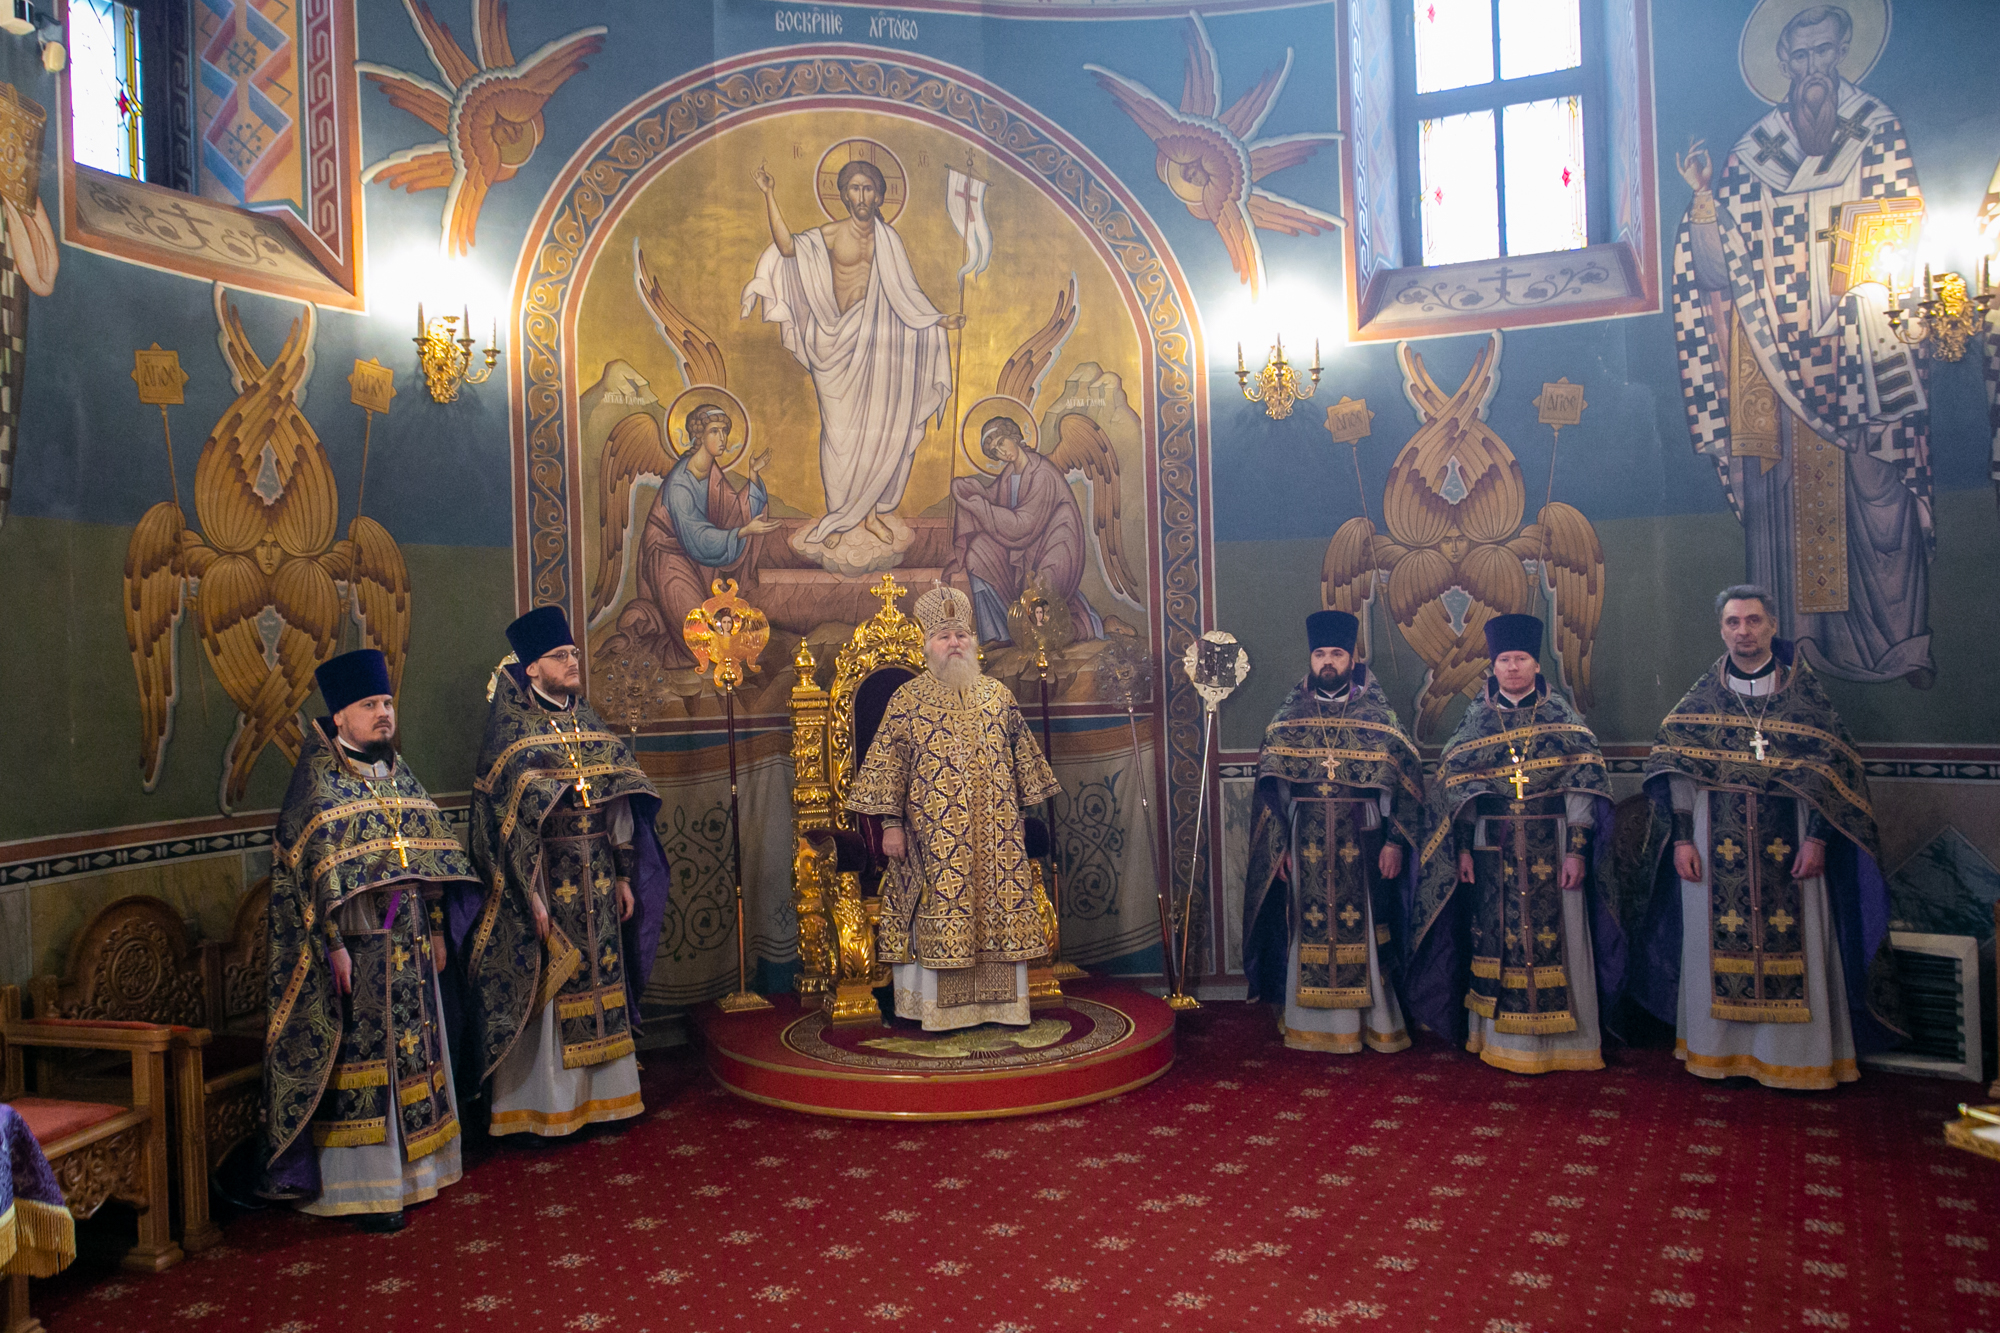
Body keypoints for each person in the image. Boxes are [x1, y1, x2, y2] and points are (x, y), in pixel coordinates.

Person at [1673, 4, 1932, 686]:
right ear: (1784, 61)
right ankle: (1799, 645)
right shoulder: (1754, 152)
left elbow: (1902, 223)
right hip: (1777, 363)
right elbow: (1719, 270)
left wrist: (1858, 295)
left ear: (1843, 51)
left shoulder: (1877, 130)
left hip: (1862, 351)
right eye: (1803, 55)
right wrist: (1704, 202)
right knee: (1782, 503)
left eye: (1826, 52)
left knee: (1878, 491)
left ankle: (1896, 646)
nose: (1815, 68)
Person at [1635, 585, 1903, 1090]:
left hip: (1793, 845)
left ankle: (1797, 1059)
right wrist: (1683, 840)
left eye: (1753, 621)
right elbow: (1676, 772)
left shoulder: (1807, 700)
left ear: (1773, 626)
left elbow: (1833, 774)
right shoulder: (1698, 702)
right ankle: (1719, 1054)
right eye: (1733, 622)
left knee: (1802, 946)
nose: (1744, 632)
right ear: (1721, 630)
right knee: (1711, 949)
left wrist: (1818, 840)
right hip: (1714, 846)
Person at [261, 649, 479, 1231]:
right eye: (369, 705)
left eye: (387, 703)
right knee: (367, 1066)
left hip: (411, 941)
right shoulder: (317, 788)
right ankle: (367, 1191)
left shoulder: (399, 774)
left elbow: (432, 863)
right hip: (357, 952)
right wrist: (331, 946)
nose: (384, 713)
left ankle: (419, 1176)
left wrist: (437, 930)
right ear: (339, 717)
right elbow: (309, 883)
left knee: (416, 1054)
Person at [464, 606, 672, 1136]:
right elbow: (505, 830)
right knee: (552, 992)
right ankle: (546, 1111)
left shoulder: (589, 722)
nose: (573, 661)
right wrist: (529, 897)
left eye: (574, 653)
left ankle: (608, 1099)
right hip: (546, 882)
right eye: (561, 656)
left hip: (598, 877)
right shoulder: (511, 733)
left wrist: (623, 874)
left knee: (604, 979)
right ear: (533, 667)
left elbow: (618, 802)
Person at [1408, 615, 1622, 1074]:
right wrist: (1461, 850)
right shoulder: (1474, 725)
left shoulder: (1565, 724)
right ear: (1493, 667)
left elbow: (1582, 790)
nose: (1512, 667)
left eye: (1520, 659)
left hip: (1554, 845)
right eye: (1504, 660)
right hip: (1492, 850)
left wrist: (1577, 851)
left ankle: (1570, 1045)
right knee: (1494, 941)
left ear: (1535, 664)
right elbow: (1456, 796)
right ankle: (1498, 1040)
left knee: (1564, 940)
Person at [845, 583, 1061, 1030]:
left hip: (998, 837)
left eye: (961, 635)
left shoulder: (998, 696)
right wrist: (890, 825)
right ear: (928, 645)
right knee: (940, 903)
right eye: (944, 636)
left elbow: (1023, 763)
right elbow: (888, 768)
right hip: (933, 838)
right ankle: (938, 1013)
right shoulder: (907, 700)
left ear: (973, 642)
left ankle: (1002, 1008)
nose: (955, 643)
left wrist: (1019, 818)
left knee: (999, 909)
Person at [744, 156, 964, 554]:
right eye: (854, 189)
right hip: (834, 343)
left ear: (879, 195)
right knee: (840, 436)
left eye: (868, 189)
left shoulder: (889, 240)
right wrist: (769, 194)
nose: (861, 196)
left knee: (880, 431)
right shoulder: (831, 234)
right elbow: (788, 247)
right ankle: (839, 515)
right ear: (844, 195)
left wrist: (939, 320)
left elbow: (907, 294)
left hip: (879, 346)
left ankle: (870, 514)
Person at [1241, 611, 1423, 1054]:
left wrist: (1395, 842)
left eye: (1337, 654)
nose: (1327, 661)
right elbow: (1274, 792)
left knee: (1366, 928)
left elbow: (1405, 782)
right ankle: (1308, 1023)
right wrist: (1278, 848)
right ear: (1311, 658)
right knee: (1307, 926)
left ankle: (1373, 1023)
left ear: (1352, 658)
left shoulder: (1379, 717)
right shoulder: (1288, 718)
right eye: (1320, 653)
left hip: (1363, 836)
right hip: (1305, 837)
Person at [603, 403, 781, 669]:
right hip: (668, 559)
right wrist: (743, 532)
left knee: (723, 634)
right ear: (699, 436)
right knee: (698, 640)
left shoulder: (712, 474)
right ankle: (642, 643)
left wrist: (753, 476)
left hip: (698, 560)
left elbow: (734, 510)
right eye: (715, 431)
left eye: (725, 431)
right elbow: (696, 536)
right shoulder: (680, 482)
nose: (723, 438)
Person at [949, 415, 1103, 645]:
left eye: (1002, 442)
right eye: (995, 451)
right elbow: (994, 500)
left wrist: (980, 506)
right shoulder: (1009, 473)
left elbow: (1023, 524)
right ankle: (998, 633)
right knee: (977, 554)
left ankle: (1089, 625)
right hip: (1022, 548)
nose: (1002, 452)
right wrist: (970, 489)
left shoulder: (1042, 473)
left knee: (1043, 618)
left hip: (1054, 546)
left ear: (1014, 436)